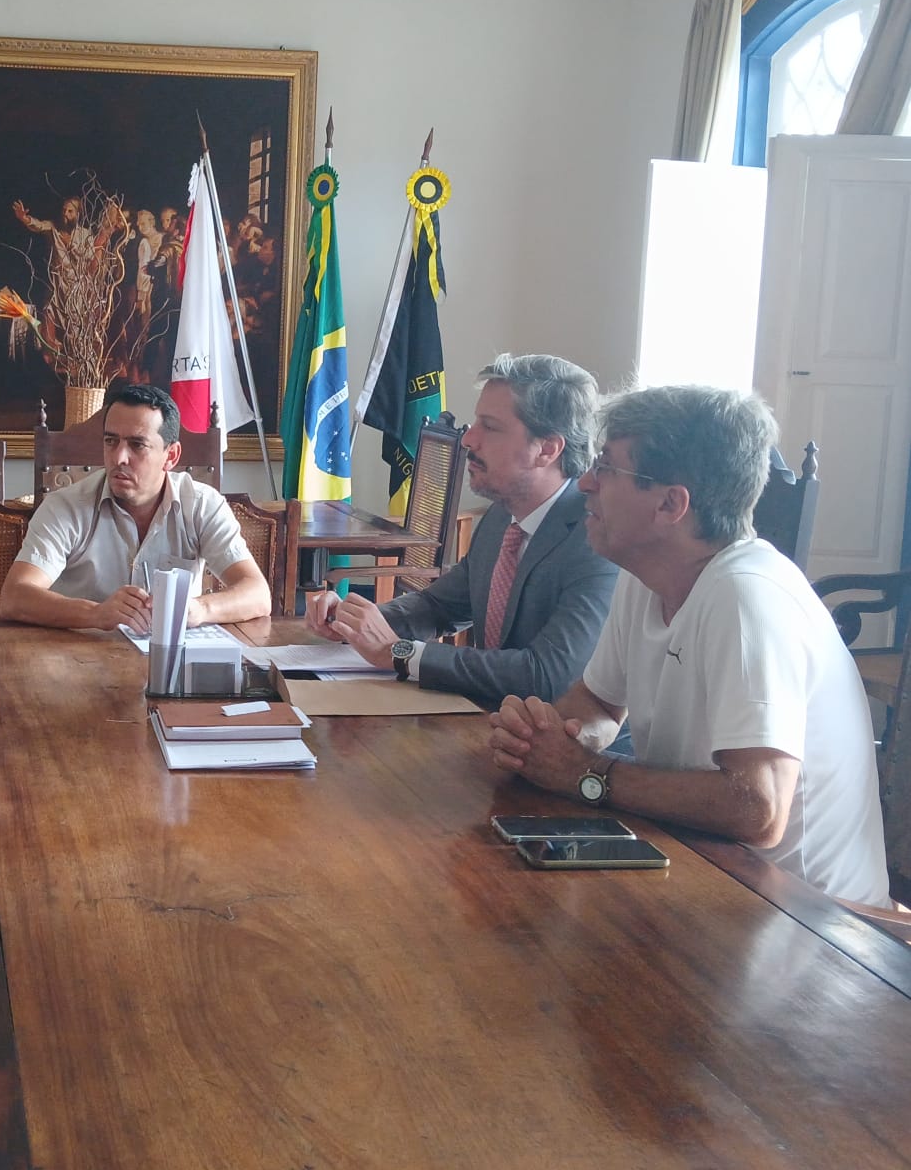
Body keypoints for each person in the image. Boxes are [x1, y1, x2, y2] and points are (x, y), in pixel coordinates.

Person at [489, 384, 889, 907]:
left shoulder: (747, 596)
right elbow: (600, 703)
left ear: (670, 505)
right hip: (704, 875)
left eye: (607, 467)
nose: (585, 482)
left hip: (811, 924)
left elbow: (759, 810)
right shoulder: (646, 573)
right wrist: (542, 738)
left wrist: (585, 774)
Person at [305, 353, 617, 709]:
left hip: (566, 747)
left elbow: (546, 675)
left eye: (490, 427)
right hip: (490, 724)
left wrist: (400, 653)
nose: (469, 440)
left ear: (546, 449)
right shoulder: (502, 515)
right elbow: (439, 606)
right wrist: (352, 621)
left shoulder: (597, 538)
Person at [0, 381, 270, 630]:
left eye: (137, 445)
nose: (119, 457)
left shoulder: (202, 505)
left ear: (171, 456)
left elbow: (258, 595)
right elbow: (15, 597)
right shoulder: (66, 506)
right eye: (110, 441)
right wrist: (95, 614)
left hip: (170, 665)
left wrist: (198, 609)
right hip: (79, 661)